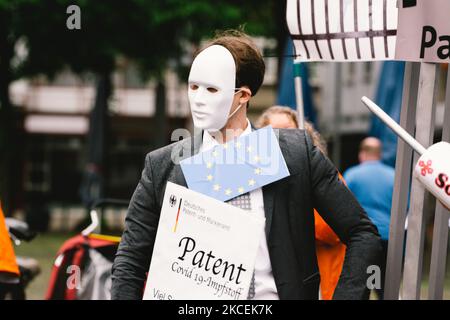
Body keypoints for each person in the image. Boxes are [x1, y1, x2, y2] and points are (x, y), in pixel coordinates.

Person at [111, 30, 381, 300]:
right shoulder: (163, 166)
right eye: (193, 87)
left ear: (243, 96)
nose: (199, 99)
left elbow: (361, 232)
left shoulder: (296, 154)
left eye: (212, 89)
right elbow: (130, 260)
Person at [257, 106, 346, 300]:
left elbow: (333, 230)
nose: (282, 138)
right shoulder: (257, 183)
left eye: (288, 130)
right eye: (274, 133)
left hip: (320, 281)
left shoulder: (323, 175)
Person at [343, 137, 395, 300]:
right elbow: (406, 207)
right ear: (380, 154)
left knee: (361, 286)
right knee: (384, 285)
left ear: (362, 153)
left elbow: (342, 206)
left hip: (362, 239)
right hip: (388, 237)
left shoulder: (351, 175)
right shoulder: (394, 176)